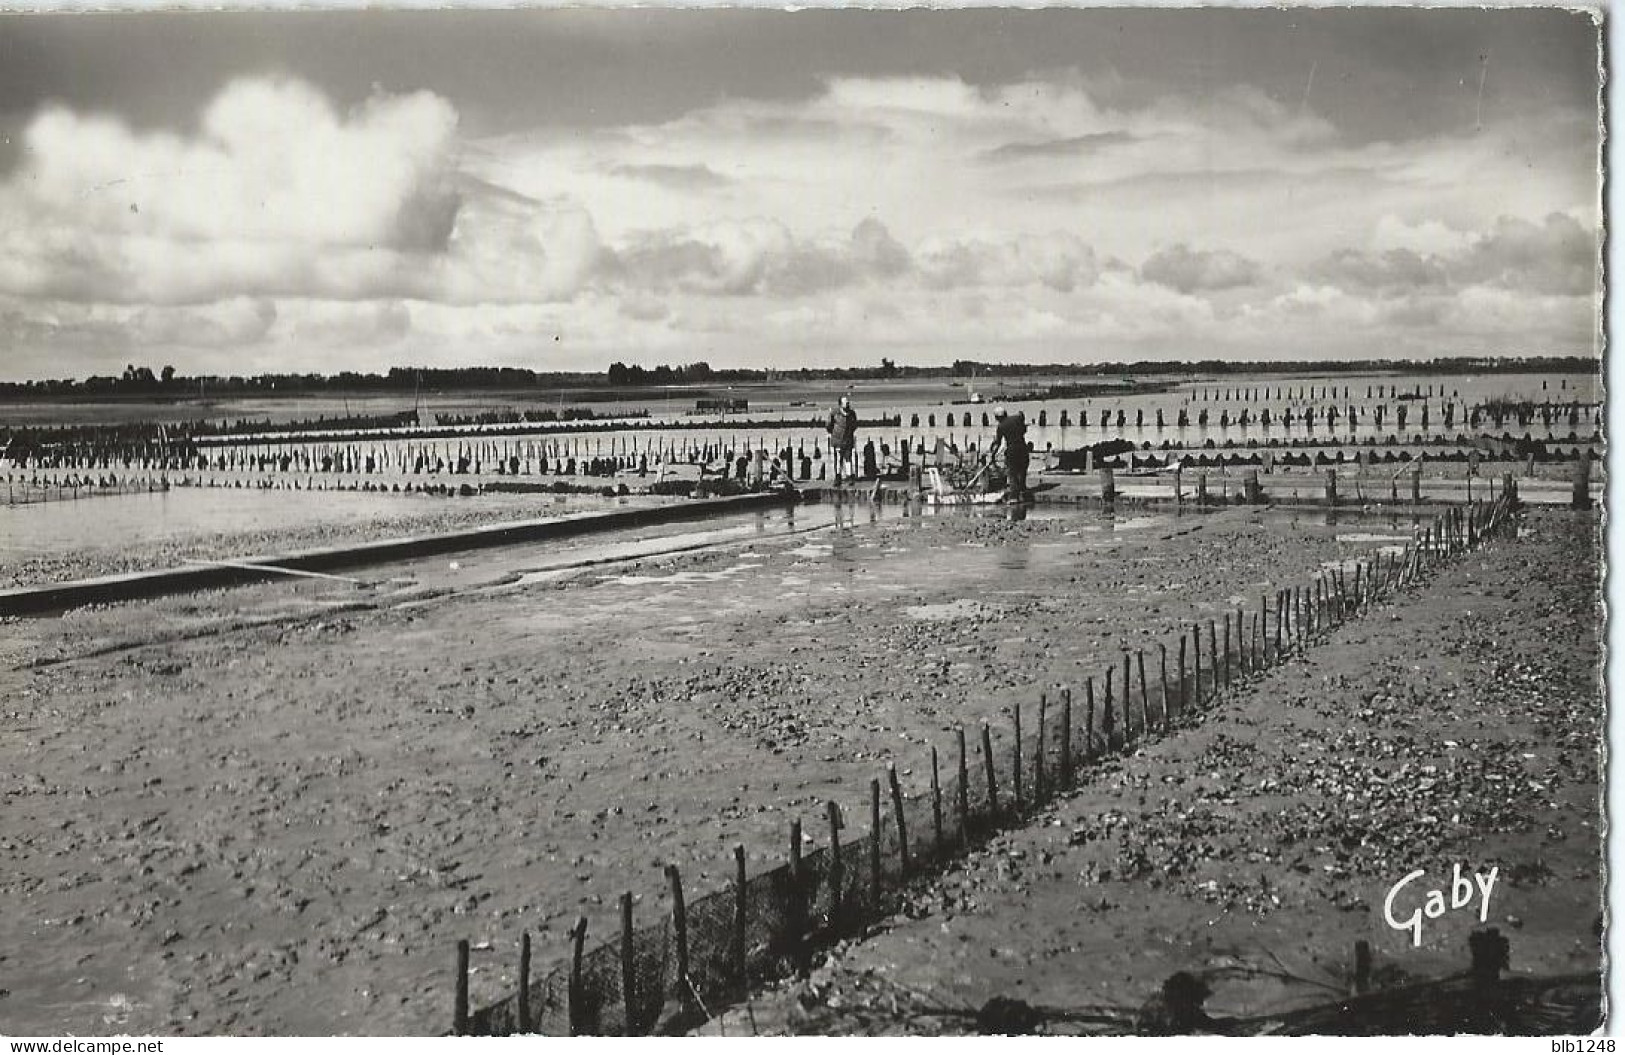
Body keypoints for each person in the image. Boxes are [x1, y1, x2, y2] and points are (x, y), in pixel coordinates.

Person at [988, 406, 1030, 502]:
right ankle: (1023, 490)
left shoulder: (1001, 426)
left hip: (1012, 450)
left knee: (1012, 473)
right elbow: (1024, 429)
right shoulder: (1016, 418)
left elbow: (998, 443)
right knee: (1023, 469)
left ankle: (1014, 497)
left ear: (997, 417)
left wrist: (993, 454)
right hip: (1023, 447)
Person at [826, 394, 858, 483]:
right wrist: (835, 433)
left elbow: (855, 425)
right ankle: (838, 476)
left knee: (848, 458)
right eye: (845, 402)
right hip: (838, 440)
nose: (847, 404)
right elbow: (829, 425)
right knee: (838, 458)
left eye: (848, 402)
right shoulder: (834, 413)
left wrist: (850, 432)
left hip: (848, 439)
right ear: (840, 404)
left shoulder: (852, 413)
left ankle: (849, 476)